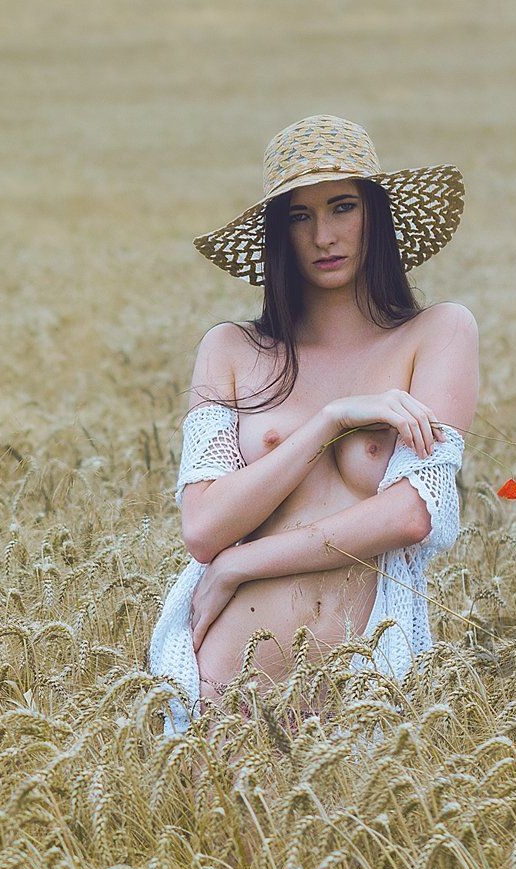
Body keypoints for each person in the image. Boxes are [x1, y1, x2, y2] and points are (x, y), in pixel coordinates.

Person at [147, 114, 479, 737]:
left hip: (364, 673)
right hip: (226, 673)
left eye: (342, 207)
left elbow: (413, 514)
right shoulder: (230, 350)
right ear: (278, 234)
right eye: (299, 217)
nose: (324, 235)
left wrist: (239, 567)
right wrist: (329, 422)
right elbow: (203, 526)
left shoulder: (437, 334)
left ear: (374, 217)